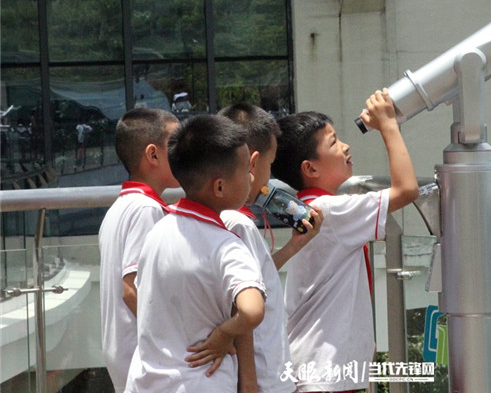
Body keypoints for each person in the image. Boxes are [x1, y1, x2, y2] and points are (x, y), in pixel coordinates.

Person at [272, 88, 419, 392]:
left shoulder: (313, 207)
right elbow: (406, 189)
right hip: (324, 374)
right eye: (334, 142)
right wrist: (388, 125)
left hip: (319, 369)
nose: (346, 146)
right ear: (309, 168)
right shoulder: (331, 211)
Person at [125, 114, 266, 393]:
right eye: (243, 172)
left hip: (146, 383)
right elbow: (251, 311)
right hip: (203, 382)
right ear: (220, 186)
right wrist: (225, 333)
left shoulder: (158, 231)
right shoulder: (227, 245)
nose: (251, 179)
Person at [216, 103, 324, 393]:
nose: (269, 178)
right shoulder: (238, 223)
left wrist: (292, 247)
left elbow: (255, 278)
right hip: (263, 378)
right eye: (270, 164)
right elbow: (241, 312)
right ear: (252, 163)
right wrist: (249, 384)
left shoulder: (225, 218)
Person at [99, 108, 180, 393]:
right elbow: (132, 288)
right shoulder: (147, 210)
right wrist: (178, 338)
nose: (185, 153)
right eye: (176, 144)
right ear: (153, 155)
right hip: (144, 360)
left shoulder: (120, 207)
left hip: (125, 355)